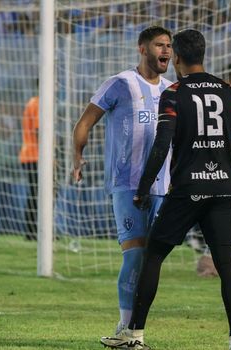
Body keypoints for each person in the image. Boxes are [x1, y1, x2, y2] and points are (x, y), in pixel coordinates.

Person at [100, 29, 231, 350]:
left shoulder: (174, 93)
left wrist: (144, 186)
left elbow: (162, 145)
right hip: (223, 189)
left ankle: (134, 336)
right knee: (227, 264)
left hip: (188, 189)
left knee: (153, 256)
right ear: (203, 55)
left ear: (177, 57)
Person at [72, 26, 172, 336]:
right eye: (159, 45)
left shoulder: (172, 90)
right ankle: (125, 326)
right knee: (134, 255)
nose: (166, 51)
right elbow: (85, 121)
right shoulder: (120, 84)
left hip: (163, 186)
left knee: (151, 261)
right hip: (127, 185)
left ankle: (135, 328)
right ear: (143, 48)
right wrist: (77, 156)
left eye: (169, 45)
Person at [19, 91, 39, 241]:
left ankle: (33, 231)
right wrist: (49, 155)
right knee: (38, 193)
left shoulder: (31, 102)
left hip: (28, 154)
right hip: (36, 156)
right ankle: (33, 231)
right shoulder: (39, 103)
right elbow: (39, 130)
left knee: (34, 193)